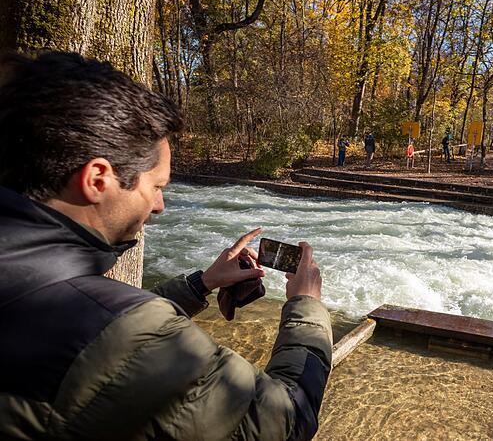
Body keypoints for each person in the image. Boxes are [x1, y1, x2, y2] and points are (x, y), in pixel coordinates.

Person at [0, 52, 332, 440]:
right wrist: (307, 305)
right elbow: (284, 421)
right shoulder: (124, 335)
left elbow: (98, 328)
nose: (159, 205)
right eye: (156, 186)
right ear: (97, 179)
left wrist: (201, 284)